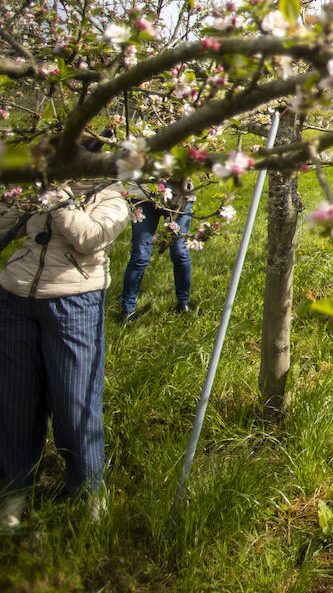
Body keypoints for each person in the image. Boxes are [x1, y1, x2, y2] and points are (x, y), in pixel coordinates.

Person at [1, 174, 130, 530]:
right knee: (16, 403)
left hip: (74, 302)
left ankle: (88, 494)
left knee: (75, 402)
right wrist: (20, 198)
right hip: (16, 298)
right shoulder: (38, 185)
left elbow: (91, 238)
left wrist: (58, 201)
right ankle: (15, 491)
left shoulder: (114, 194)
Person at [119, 177, 194, 322]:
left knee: (179, 251)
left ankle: (183, 302)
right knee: (140, 254)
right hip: (143, 194)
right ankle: (127, 309)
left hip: (178, 194)